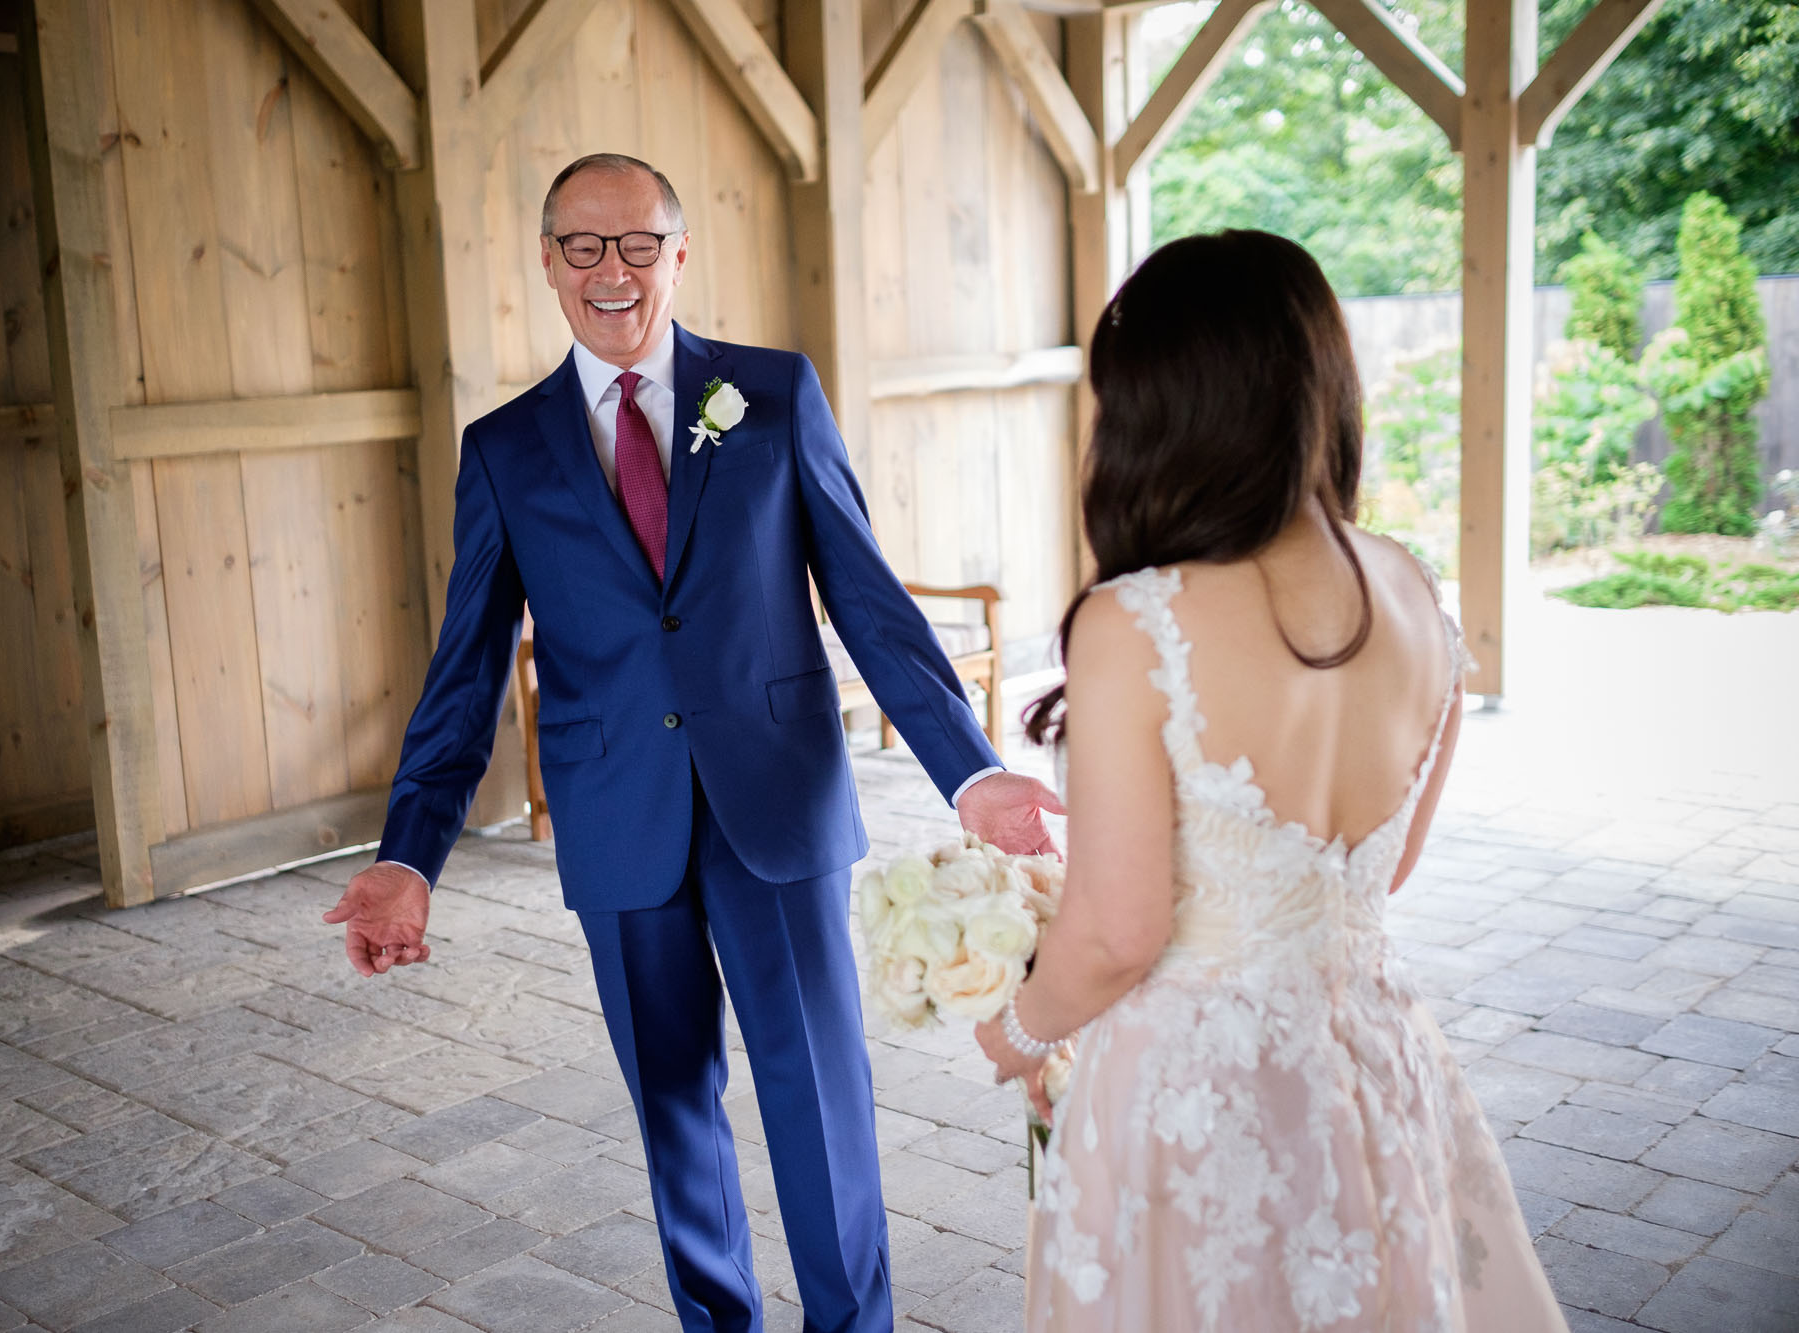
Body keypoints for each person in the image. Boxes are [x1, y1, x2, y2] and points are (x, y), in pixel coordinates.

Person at [323, 153, 1062, 1333]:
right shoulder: (504, 448)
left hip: (775, 805)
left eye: (634, 245)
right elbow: (464, 668)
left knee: (818, 1098)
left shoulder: (771, 394)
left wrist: (969, 772)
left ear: (677, 253)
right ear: (549, 261)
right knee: (673, 1111)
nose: (609, 272)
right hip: (617, 821)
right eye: (582, 247)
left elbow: (869, 603)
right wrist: (410, 854)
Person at [976, 231, 1566, 1331]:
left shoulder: (1133, 623)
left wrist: (1018, 1028)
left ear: (1158, 410)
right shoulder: (1411, 593)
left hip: (1193, 1095)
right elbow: (1385, 870)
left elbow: (1117, 931)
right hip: (1371, 1067)